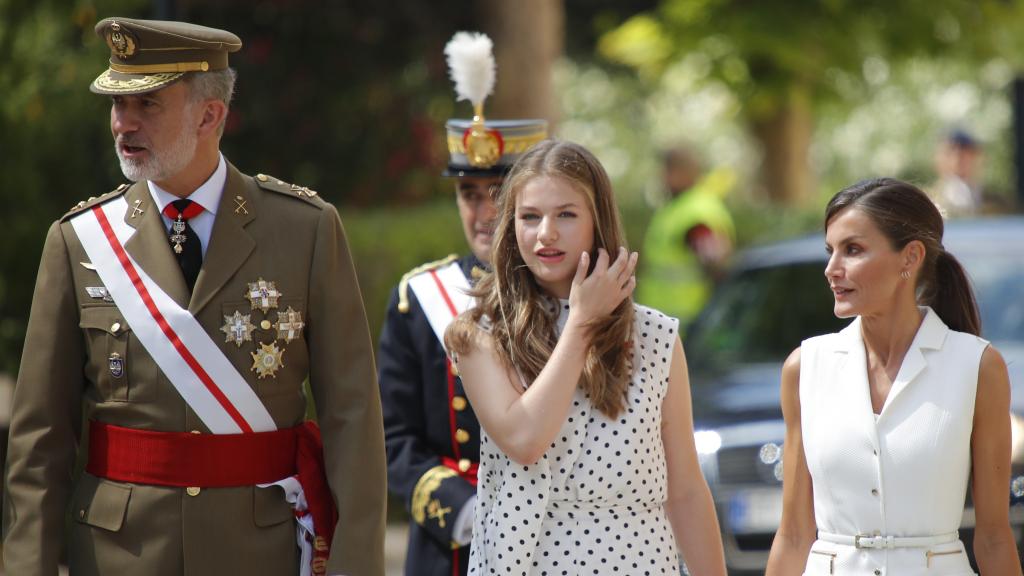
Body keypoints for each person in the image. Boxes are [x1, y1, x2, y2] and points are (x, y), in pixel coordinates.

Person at [2, 17, 386, 576]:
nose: (122, 125)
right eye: (116, 105)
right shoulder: (79, 241)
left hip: (258, 552)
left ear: (210, 114)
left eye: (148, 104)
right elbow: (40, 440)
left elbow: (352, 418)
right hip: (120, 555)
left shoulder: (305, 229)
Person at [445, 139, 728, 575]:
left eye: (566, 214)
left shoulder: (655, 335)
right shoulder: (478, 333)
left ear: (599, 221)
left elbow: (686, 489)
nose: (546, 234)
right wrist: (580, 324)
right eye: (530, 217)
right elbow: (525, 440)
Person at [766, 178, 1022, 575]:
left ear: (910, 257)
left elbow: (992, 536)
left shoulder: (978, 367)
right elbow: (794, 534)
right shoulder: (805, 367)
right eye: (830, 251)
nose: (832, 269)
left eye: (853, 250)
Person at [377, 31, 547, 576]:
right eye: (469, 195)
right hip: (454, 543)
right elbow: (392, 437)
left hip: (556, 532)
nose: (482, 211)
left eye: (498, 194)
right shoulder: (419, 298)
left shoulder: (566, 291)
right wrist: (463, 510)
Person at [638, 147, 735, 328]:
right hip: (665, 326)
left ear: (685, 172)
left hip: (689, 326)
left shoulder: (696, 213)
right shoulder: (675, 207)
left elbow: (719, 269)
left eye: (668, 170)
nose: (662, 177)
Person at [930, 129, 984, 217]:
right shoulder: (926, 201)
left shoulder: (997, 203)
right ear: (937, 159)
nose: (956, 161)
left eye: (964, 155)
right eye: (949, 153)